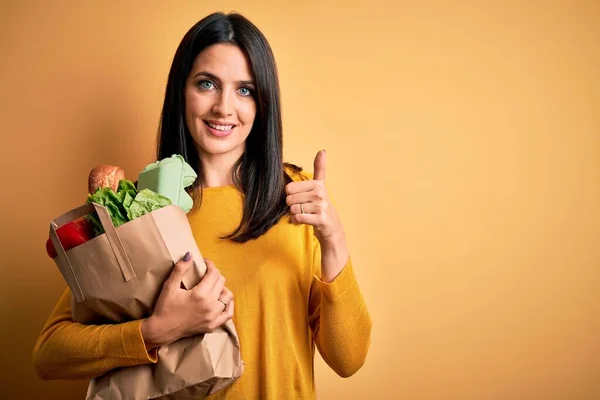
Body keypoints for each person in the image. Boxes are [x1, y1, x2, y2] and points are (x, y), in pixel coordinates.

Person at [32, 11, 372, 399]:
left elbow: (350, 359)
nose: (224, 108)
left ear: (264, 103)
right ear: (182, 91)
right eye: (207, 84)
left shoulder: (296, 199)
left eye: (245, 89)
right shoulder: (142, 210)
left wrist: (334, 239)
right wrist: (157, 330)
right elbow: (49, 353)